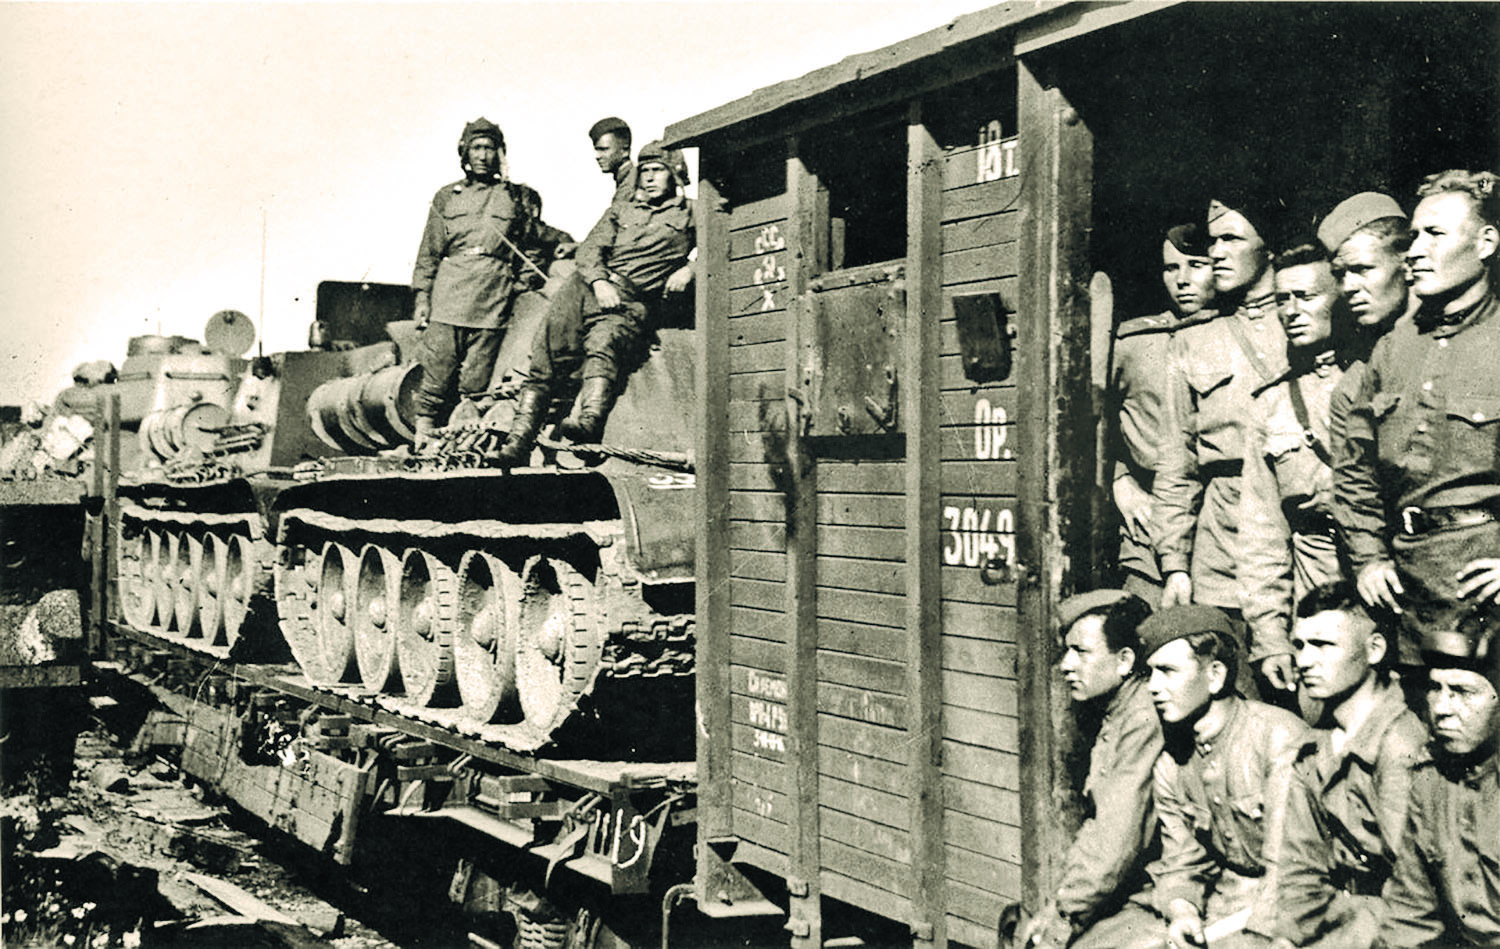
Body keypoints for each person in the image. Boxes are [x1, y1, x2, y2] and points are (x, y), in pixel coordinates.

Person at [1335, 170, 1500, 653]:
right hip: (1406, 589)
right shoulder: (1392, 351)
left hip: (1486, 587)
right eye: (1413, 237)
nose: (1415, 251)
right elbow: (1356, 470)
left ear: (1486, 243)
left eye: (1435, 235)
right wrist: (1368, 559)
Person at [497, 141, 695, 465]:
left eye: (657, 170)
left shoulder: (693, 213)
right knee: (546, 353)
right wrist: (599, 282)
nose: (648, 178)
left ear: (674, 173)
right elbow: (590, 249)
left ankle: (589, 422)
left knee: (605, 344)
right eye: (645, 171)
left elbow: (720, 242)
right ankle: (518, 441)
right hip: (585, 287)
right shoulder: (622, 210)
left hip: (630, 300)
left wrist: (691, 269)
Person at [1154, 192, 1289, 620]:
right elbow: (1176, 462)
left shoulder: (1306, 320)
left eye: (1231, 239)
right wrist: (1175, 563)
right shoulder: (1193, 339)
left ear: (1270, 248)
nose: (1217, 253)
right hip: (1222, 538)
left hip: (1296, 522)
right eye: (1213, 241)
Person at [1141, 604, 1309, 948]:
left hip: (1291, 909)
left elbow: (1291, 870)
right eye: (1150, 673)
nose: (1153, 687)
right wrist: (1183, 911)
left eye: (1167, 671)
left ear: (1215, 675)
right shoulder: (1172, 761)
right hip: (1226, 901)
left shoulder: (1277, 738)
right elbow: (1181, 860)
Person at [1271, 583, 1426, 949]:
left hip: (1394, 926)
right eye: (1299, 646)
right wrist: (1287, 938)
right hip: (1340, 916)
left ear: (1374, 650)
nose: (1304, 661)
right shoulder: (1316, 743)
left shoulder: (1400, 743)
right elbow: (1301, 866)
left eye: (1323, 645)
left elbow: (1416, 889)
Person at [1019, 590, 1163, 949]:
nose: (1066, 665)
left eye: (1081, 652)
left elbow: (1116, 839)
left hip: (1164, 894)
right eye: (1067, 651)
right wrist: (1059, 907)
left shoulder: (1143, 718)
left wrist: (1064, 917)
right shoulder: (1121, 710)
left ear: (1125, 660)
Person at [1238, 242, 1349, 699]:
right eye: (1282, 299)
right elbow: (1261, 532)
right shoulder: (1274, 403)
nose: (1290, 311)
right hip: (1315, 593)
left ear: (1340, 297)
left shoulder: (1379, 378)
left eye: (1305, 296)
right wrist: (1270, 636)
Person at [1376, 615, 1500, 947]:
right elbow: (1410, 912)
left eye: (1462, 692)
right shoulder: (1431, 779)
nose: (1442, 708)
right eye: (1435, 688)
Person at [1110, 224, 1218, 601]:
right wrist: (1119, 480)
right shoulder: (1134, 343)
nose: (1182, 280)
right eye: (1171, 268)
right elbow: (1086, 421)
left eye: (1197, 265)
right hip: (1149, 535)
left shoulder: (1234, 337)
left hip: (1219, 531)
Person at [410, 117, 533, 447]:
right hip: (450, 292)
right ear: (464, 153)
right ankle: (422, 436)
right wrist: (422, 297)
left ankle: (463, 441)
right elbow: (429, 251)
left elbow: (531, 243)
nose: (482, 155)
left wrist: (520, 284)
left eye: (489, 148)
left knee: (477, 379)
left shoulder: (515, 197)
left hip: (494, 294)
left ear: (500, 153)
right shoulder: (447, 196)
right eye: (476, 148)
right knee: (437, 369)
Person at [589, 116, 636, 207]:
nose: (598, 156)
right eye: (597, 150)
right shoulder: (626, 179)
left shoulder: (631, 184)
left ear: (625, 151)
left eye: (604, 150)